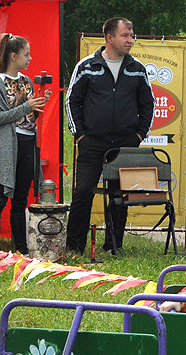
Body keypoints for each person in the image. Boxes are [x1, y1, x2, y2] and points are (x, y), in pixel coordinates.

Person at [65, 17, 155, 256]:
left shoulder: (137, 68)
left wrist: (138, 135)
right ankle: (74, 246)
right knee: (83, 191)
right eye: (125, 35)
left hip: (125, 142)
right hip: (92, 141)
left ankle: (114, 245)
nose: (130, 40)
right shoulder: (86, 66)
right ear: (110, 37)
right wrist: (80, 135)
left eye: (131, 35)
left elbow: (148, 104)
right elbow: (72, 101)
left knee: (119, 195)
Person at [0, 34, 47, 254]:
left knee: (20, 200)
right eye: (26, 54)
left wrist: (36, 107)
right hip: (8, 146)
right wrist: (27, 107)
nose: (30, 58)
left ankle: (21, 248)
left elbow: (27, 117)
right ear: (13, 55)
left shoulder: (26, 81)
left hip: (28, 142)